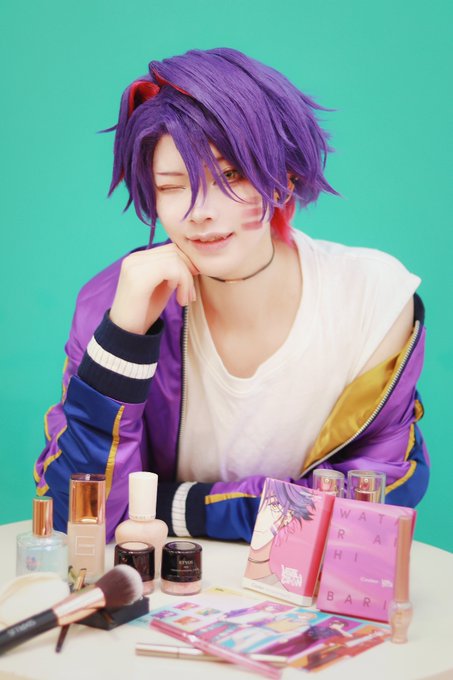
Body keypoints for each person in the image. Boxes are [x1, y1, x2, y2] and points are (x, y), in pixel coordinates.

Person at [34, 47, 429, 543]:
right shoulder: (116, 300)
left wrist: (173, 506)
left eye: (230, 177)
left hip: (298, 585)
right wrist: (123, 341)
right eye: (172, 187)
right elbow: (78, 518)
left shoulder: (371, 296)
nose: (199, 211)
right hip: (165, 582)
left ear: (284, 178)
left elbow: (369, 508)